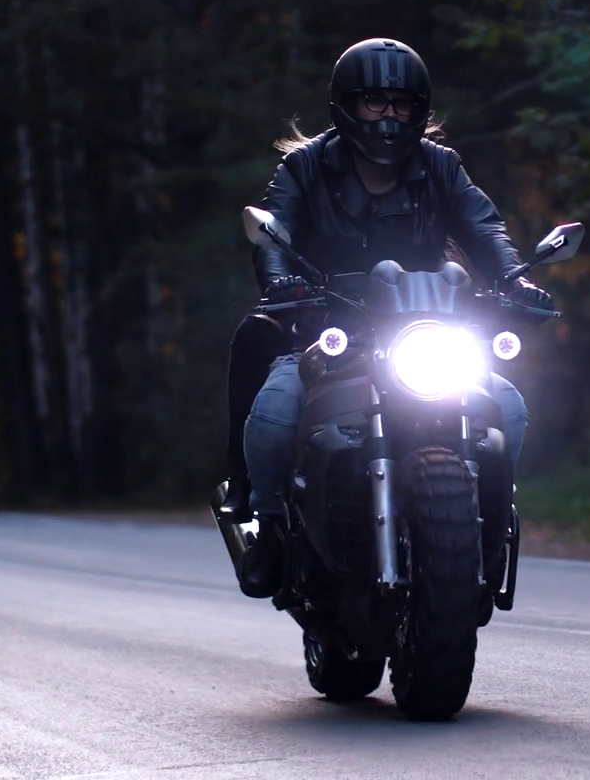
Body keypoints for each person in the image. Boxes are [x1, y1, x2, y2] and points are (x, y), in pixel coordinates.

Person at [226, 37, 553, 597]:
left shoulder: (441, 166)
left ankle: (490, 532)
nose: (388, 116)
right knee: (277, 411)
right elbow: (275, 229)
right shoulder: (305, 165)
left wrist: (516, 280)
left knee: (509, 410)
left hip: (427, 329)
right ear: (347, 105)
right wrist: (281, 280)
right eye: (374, 101)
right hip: (330, 329)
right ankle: (271, 528)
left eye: (401, 103)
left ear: (419, 109)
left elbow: (485, 227)